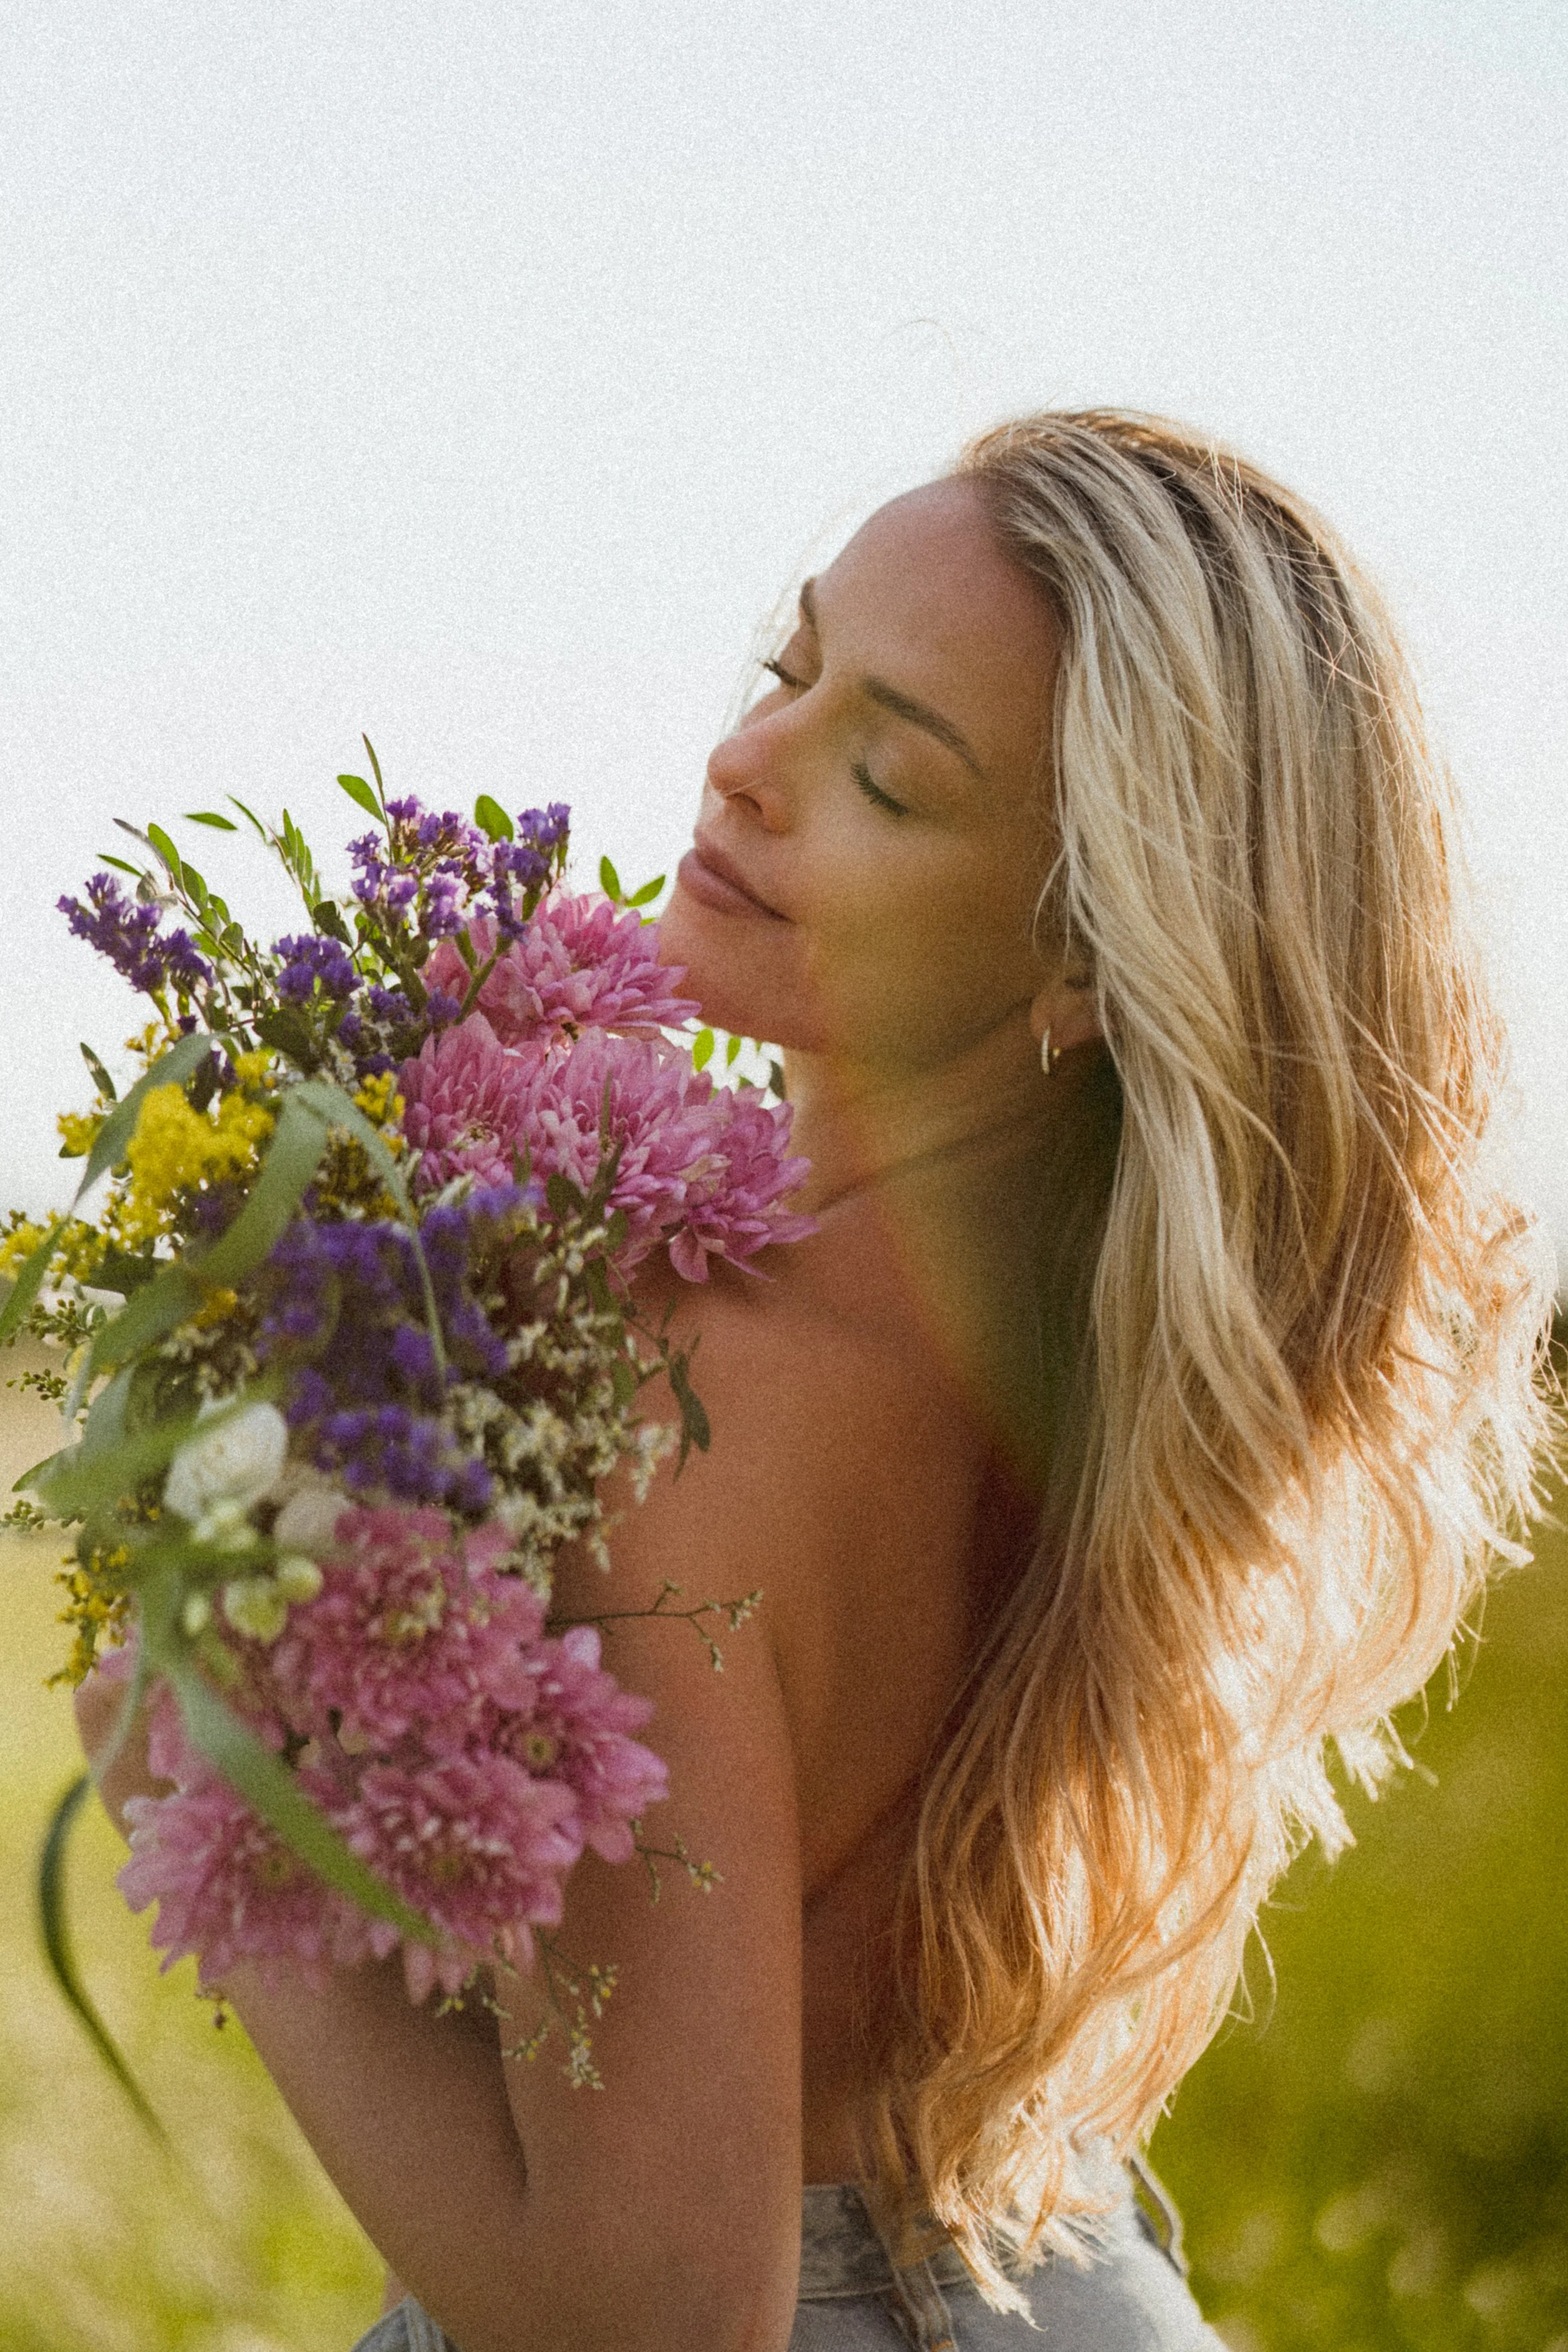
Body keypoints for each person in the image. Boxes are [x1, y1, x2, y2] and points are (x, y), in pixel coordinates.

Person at [78, 410, 1555, 2352]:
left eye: (886, 773)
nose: (745, 765)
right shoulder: (1057, 1342)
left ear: (1087, 953)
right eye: (790, 670)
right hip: (1065, 2276)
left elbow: (657, 2318)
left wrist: (193, 1772)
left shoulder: (682, 1389)